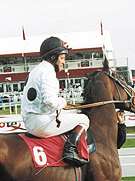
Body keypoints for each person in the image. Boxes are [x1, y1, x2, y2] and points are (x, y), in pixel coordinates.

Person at [21, 36, 90, 166]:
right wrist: (62, 102)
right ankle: (70, 150)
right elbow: (50, 101)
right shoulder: (48, 72)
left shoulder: (36, 70)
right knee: (84, 119)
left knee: (75, 113)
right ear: (53, 57)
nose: (63, 62)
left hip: (31, 120)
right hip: (40, 123)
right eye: (62, 58)